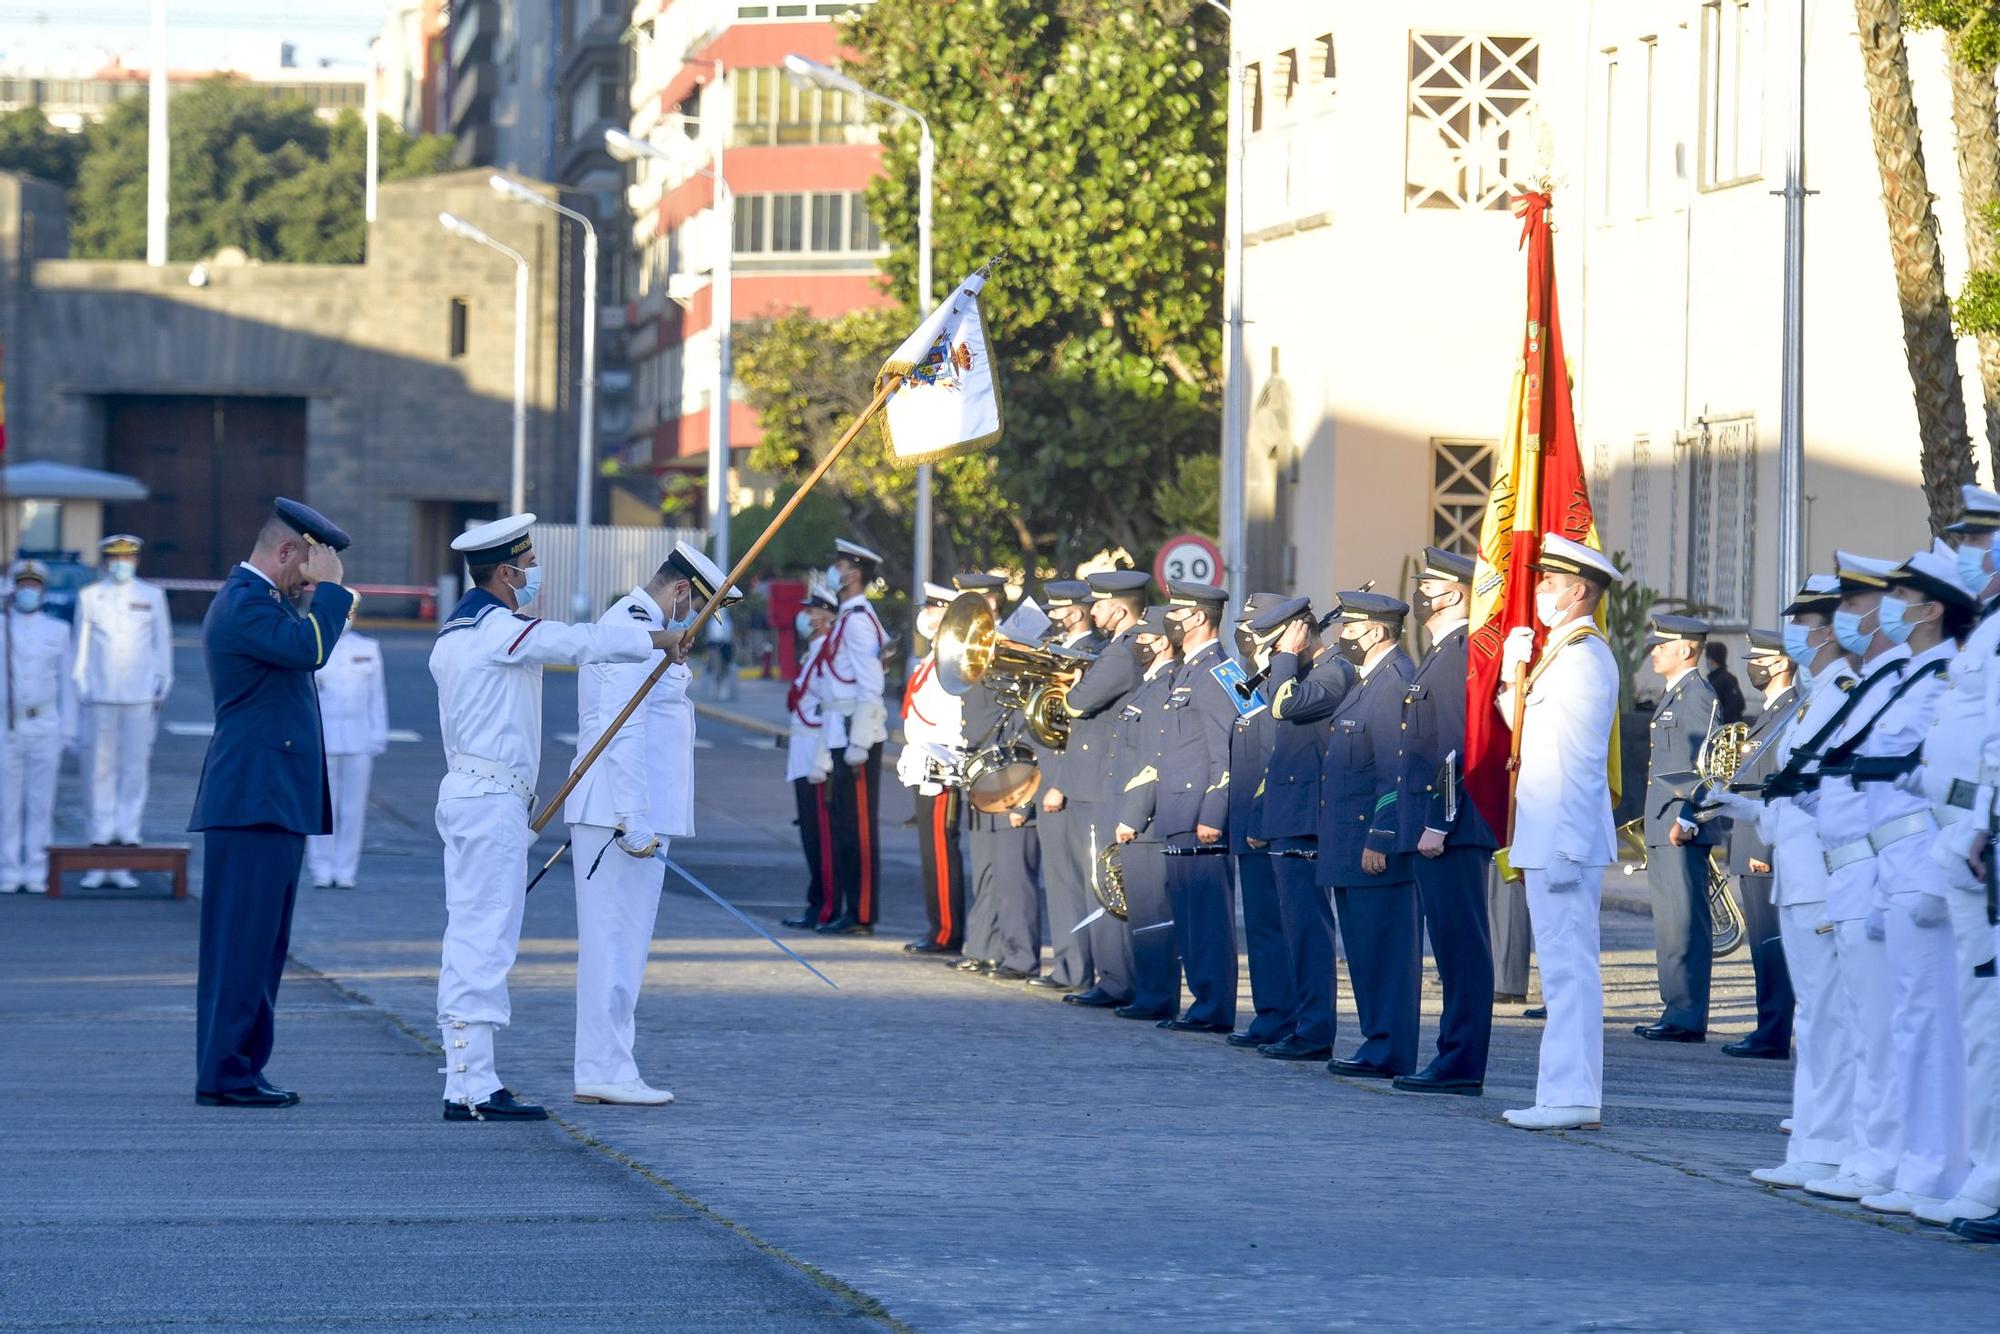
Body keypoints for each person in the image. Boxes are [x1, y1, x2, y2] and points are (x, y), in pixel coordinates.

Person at [429, 514, 687, 1123]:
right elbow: (578, 642)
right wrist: (656, 640)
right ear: (506, 571)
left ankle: (468, 1077)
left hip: (479, 796)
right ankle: (470, 1086)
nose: (533, 574)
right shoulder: (496, 630)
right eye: (527, 565)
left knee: (473, 934)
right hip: (488, 800)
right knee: (484, 939)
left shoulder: (456, 632)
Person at [189, 500, 355, 1108]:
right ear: (286, 551)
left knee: (261, 946)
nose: (309, 585)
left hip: (272, 800)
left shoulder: (266, 602)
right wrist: (332, 596)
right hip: (253, 799)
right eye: (306, 571)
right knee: (242, 945)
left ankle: (240, 1066)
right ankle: (225, 1073)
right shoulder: (244, 603)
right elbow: (310, 648)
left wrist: (317, 594)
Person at [563, 541, 738, 1108]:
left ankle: (609, 1065)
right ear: (681, 591)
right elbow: (623, 728)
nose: (694, 626)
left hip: (630, 815)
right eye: (698, 610)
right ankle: (603, 1069)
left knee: (624, 948)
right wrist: (633, 818)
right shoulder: (631, 628)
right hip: (619, 817)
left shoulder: (641, 628)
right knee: (613, 947)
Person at [1803, 550, 1954, 1205]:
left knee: (1917, 1028)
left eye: (1867, 601)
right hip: (1873, 867)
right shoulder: (1900, 681)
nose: (1849, 615)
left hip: (1907, 864)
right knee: (1881, 1027)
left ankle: (1914, 1164)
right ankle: (1887, 1157)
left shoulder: (1938, 675)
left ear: (1930, 608)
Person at [1497, 535, 1623, 1132]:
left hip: (1563, 841)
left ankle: (1573, 1096)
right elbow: (1534, 735)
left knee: (1570, 970)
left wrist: (1571, 846)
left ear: (1578, 592)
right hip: (1546, 837)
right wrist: (1509, 679)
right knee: (1562, 970)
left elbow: (1578, 761)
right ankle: (1562, 1093)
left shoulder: (1584, 658)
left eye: (1549, 583)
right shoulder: (1560, 657)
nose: (1539, 591)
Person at [1737, 575, 1858, 1189]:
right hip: (1798, 868)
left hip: (1820, 873)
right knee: (1815, 1014)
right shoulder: (1814, 696)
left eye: (1805, 624)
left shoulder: (1840, 693)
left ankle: (1826, 1145)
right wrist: (1746, 811)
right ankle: (1813, 1141)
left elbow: (1828, 792)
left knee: (1826, 1015)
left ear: (1831, 629)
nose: (1795, 635)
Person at [1297, 591, 1422, 1078]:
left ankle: (1389, 1048)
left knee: (1384, 952)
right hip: (1349, 845)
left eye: (1350, 627)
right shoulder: (1366, 681)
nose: (1342, 636)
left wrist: (1382, 833)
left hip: (1371, 845)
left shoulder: (1392, 683)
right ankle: (1377, 1042)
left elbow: (1397, 770)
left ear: (1374, 631)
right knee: (1366, 952)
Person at [1392, 548, 1499, 1095]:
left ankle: (1460, 1064)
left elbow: (1457, 746)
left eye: (1429, 585)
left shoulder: (1460, 652)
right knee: (1450, 948)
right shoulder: (1441, 652)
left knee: (1461, 948)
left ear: (1454, 593)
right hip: (1436, 827)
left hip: (1452, 829)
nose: (1421, 594)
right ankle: (1451, 1056)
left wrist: (1439, 820)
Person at [1925, 487, 2000, 1228]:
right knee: (1981, 1017)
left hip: (1987, 848)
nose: (1969, 554)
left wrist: (1980, 825)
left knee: (1989, 1018)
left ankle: (1994, 1175)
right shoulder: (1986, 634)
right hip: (1965, 843)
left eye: (1982, 541)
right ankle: (1987, 1170)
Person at [1258, 597, 1356, 1062]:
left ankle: (1316, 1030)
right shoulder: (1305, 671)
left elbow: (1282, 707)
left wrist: (1283, 657)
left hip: (1308, 820)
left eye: (1277, 640)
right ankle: (1301, 1022)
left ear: (1298, 633)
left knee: (1311, 931)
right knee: (1295, 928)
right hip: (1289, 814)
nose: (1271, 652)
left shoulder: (1332, 672)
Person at [1149, 580, 1239, 1034]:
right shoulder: (1190, 670)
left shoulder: (1219, 672)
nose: (1171, 621)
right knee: (1189, 915)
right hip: (1180, 809)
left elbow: (1228, 747)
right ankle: (1202, 1003)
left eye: (1178, 613)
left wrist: (1215, 810)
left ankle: (1214, 1007)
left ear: (1199, 618)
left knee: (1208, 918)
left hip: (1201, 813)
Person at [1060, 569, 1149, 1008]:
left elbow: (1076, 703)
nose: (1092, 610)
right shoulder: (1119, 648)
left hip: (1101, 781)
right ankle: (1109, 975)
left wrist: (1073, 686)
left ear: (1119, 607)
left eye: (1098, 603)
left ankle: (1115, 979)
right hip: (1095, 778)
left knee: (1103, 884)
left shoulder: (1120, 653)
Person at [1634, 613, 1722, 1044]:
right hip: (1664, 822)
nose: (1654, 652)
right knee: (1670, 922)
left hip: (1679, 825)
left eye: (1662, 646)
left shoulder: (1697, 696)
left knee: (1686, 922)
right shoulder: (1677, 694)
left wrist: (1689, 815)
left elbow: (1710, 764)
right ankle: (1675, 1008)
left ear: (1686, 650)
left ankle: (1687, 1015)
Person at [1716, 628, 1799, 1060]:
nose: (1752, 666)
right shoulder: (1769, 712)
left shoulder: (1788, 712)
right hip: (1751, 836)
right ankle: (1767, 1027)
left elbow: (1772, 787)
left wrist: (1763, 851)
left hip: (1761, 844)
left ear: (1782, 663)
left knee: (1770, 945)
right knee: (1763, 948)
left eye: (1759, 659)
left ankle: (1772, 1033)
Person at [73, 533, 173, 888]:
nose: (121, 564)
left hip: (139, 696)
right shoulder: (90, 597)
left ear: (136, 561)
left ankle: (127, 837)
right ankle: (100, 844)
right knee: (98, 771)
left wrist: (162, 683)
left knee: (133, 768)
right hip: (100, 695)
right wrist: (82, 686)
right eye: (115, 558)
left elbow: (161, 645)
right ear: (105, 561)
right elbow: (80, 649)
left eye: (127, 559)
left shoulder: (152, 596)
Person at [1225, 592, 1294, 1051]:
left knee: (1280, 926)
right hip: (1249, 819)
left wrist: (1259, 815)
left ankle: (1285, 1016)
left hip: (1271, 820)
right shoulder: (1250, 679)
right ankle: (1270, 1013)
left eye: (1256, 625)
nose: (1246, 633)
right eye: (1244, 625)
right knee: (1263, 929)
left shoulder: (1285, 682)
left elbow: (1278, 757)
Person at [812, 540, 890, 936]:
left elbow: (871, 683)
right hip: (842, 730)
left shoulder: (858, 621)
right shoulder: (848, 616)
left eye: (838, 565)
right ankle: (849, 908)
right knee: (844, 824)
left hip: (857, 734)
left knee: (858, 827)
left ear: (853, 574)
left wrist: (861, 739)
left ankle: (861, 913)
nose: (833, 572)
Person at [1111, 605, 1184, 1021]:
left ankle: (1157, 996)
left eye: (1142, 638)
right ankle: (1147, 991)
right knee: (1141, 910)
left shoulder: (1163, 687)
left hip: (1149, 821)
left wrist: (1134, 814)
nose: (1136, 645)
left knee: (1154, 915)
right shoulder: (1151, 684)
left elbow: (1154, 760)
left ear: (1159, 641)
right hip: (1137, 815)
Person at [1030, 577, 1102, 991]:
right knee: (1057, 881)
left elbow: (1079, 731)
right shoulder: (1057, 651)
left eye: (1057, 611)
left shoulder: (1093, 655)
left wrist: (1058, 782)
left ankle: (1078, 968)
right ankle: (1066, 963)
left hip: (1068, 780)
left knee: (1075, 880)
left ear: (1075, 611)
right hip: (1049, 774)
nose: (1053, 617)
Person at [899, 582, 968, 957]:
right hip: (925, 762)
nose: (925, 612)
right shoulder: (934, 656)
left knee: (941, 850)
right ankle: (937, 925)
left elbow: (955, 715)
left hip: (942, 763)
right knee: (931, 850)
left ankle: (946, 932)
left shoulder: (953, 658)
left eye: (933, 606)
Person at [0, 561, 77, 893]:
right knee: (7, 804)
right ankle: (8, 868)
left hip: (45, 722)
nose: (28, 591)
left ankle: (37, 867)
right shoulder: (2, 627)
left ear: (43, 590)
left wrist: (68, 731)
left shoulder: (57, 630)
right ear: (13, 588)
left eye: (34, 585)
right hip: (6, 724)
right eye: (22, 585)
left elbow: (68, 686)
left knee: (41, 802)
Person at [305, 620, 388, 890]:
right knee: (321, 806)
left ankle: (345, 868)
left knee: (353, 808)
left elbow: (376, 696)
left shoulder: (368, 648)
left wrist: (378, 734)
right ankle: (321, 866)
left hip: (359, 736)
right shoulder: (314, 646)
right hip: (323, 738)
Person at [782, 586, 839, 930]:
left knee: (821, 836)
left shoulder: (829, 652)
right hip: (802, 754)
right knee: (809, 834)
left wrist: (822, 755)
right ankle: (817, 901)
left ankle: (824, 905)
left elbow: (828, 706)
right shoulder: (815, 651)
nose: (808, 616)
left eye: (816, 611)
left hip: (816, 754)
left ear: (830, 616)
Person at [1706, 639, 1748, 726]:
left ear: (1711, 659)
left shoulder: (1727, 679)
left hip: (1725, 728)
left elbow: (1737, 705)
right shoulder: (1713, 679)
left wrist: (1716, 716)